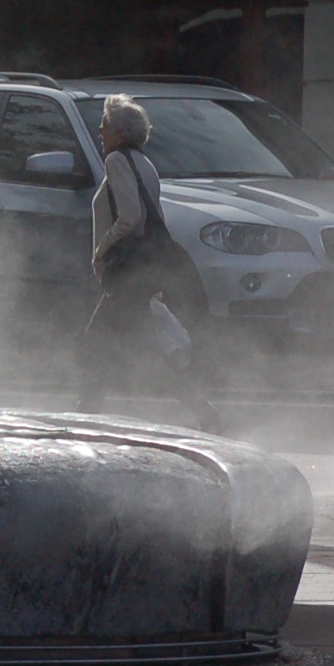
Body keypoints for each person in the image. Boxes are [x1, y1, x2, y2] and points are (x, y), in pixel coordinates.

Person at [82, 92, 221, 430]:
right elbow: (155, 218)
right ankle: (204, 412)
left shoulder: (117, 161)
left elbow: (131, 219)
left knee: (99, 343)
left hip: (127, 273)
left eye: (104, 127)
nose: (100, 133)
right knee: (124, 345)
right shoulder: (145, 163)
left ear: (119, 132)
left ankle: (85, 416)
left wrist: (102, 250)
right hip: (143, 270)